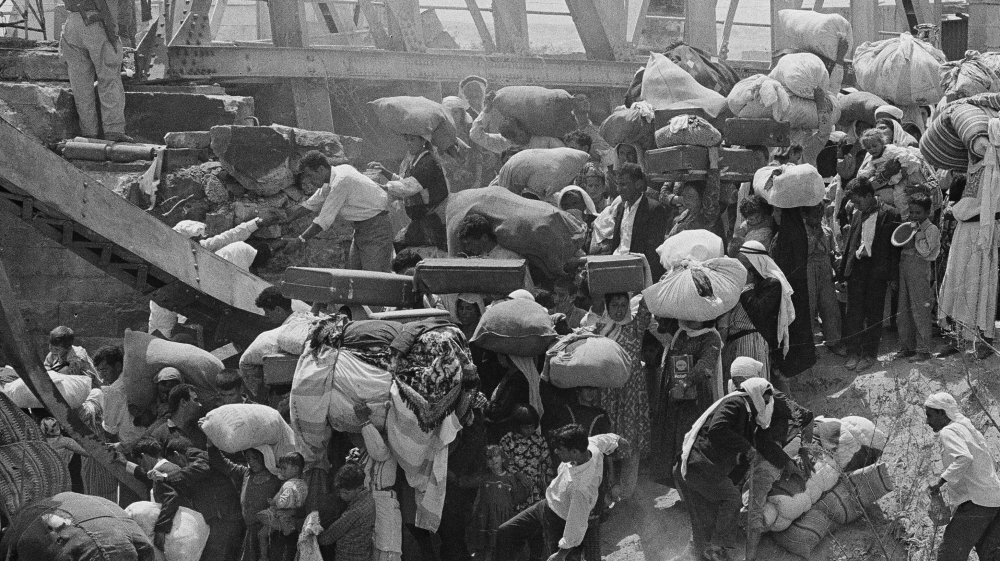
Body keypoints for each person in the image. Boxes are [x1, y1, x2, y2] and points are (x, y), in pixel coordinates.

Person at [674, 378, 800, 561]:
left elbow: (763, 443)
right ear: (754, 394)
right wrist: (746, 447)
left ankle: (702, 553)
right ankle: (716, 549)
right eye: (764, 400)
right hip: (698, 465)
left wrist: (786, 462)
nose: (765, 404)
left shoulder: (749, 414)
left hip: (702, 468)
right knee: (731, 498)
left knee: (706, 517)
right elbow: (717, 429)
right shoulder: (736, 404)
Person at [494, 425, 630, 561]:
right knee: (506, 533)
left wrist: (560, 555)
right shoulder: (591, 446)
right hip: (545, 506)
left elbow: (575, 525)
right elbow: (609, 439)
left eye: (560, 449)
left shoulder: (581, 488)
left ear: (575, 452)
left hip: (560, 521)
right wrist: (622, 441)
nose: (555, 451)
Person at [150, 215, 277, 338]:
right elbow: (160, 317)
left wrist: (256, 223)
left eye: (198, 239)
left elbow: (227, 237)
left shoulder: (198, 248)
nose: (198, 242)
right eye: (194, 240)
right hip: (188, 320)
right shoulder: (168, 270)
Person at [284, 151, 393, 273]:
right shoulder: (337, 173)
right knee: (355, 274)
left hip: (376, 229)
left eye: (310, 176)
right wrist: (286, 219)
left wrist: (300, 240)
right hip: (361, 229)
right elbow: (311, 204)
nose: (309, 181)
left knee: (374, 276)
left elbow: (323, 221)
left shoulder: (341, 181)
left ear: (321, 169)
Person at [924, 392, 1000, 561]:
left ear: (942, 413)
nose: (927, 421)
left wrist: (940, 482)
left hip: (977, 502)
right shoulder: (968, 429)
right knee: (991, 554)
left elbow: (964, 458)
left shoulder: (949, 431)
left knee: (950, 553)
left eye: (929, 415)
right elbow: (992, 463)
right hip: (995, 500)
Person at [839, 176, 901, 372]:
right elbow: (851, 243)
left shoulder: (891, 214)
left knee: (874, 314)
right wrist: (844, 271)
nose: (856, 206)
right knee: (854, 313)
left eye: (858, 201)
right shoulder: (857, 214)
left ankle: (869, 354)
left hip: (877, 272)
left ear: (868, 195)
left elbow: (894, 250)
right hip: (858, 269)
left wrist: (892, 276)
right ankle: (853, 352)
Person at [584, 293, 652, 459]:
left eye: (623, 305)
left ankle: (630, 477)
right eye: (614, 305)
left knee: (631, 439)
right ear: (607, 306)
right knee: (606, 436)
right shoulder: (599, 329)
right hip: (607, 389)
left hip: (631, 389)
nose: (619, 310)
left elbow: (647, 301)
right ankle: (608, 473)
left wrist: (644, 276)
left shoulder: (636, 327)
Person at [656, 318, 722, 486]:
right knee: (674, 439)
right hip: (675, 397)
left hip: (696, 398)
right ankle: (678, 483)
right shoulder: (680, 334)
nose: (691, 319)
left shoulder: (711, 337)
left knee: (690, 438)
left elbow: (705, 365)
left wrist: (685, 384)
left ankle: (691, 486)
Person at [60, 0, 132, 142]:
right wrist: (118, 31)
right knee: (109, 78)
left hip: (72, 22)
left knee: (81, 86)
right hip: (97, 21)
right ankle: (113, 130)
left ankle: (89, 132)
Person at [373, 134, 449, 251]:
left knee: (408, 246)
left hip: (433, 219)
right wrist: (385, 172)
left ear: (423, 140)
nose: (409, 143)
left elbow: (410, 186)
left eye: (412, 139)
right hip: (423, 219)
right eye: (407, 140)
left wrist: (386, 187)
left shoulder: (428, 162)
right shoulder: (416, 160)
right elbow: (406, 182)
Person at [207, 446, 282, 561]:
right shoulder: (246, 473)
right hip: (249, 532)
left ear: (265, 457)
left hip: (267, 533)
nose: (251, 462)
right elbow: (222, 463)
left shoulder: (276, 479)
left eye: (255, 458)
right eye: (248, 459)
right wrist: (211, 444)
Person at [596, 164, 669, 280]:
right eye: (618, 184)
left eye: (623, 185)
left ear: (638, 184)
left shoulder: (654, 210)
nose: (619, 189)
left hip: (638, 270)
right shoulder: (620, 208)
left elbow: (652, 251)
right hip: (616, 265)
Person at [353, 402, 402, 561]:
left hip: (384, 502)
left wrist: (364, 420)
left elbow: (379, 451)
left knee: (386, 550)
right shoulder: (363, 450)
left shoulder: (390, 446)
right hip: (367, 501)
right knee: (369, 550)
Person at [897, 193, 941, 362]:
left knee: (920, 309)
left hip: (919, 270)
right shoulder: (909, 226)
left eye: (918, 212)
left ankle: (923, 350)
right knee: (904, 308)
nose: (914, 216)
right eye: (911, 212)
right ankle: (907, 347)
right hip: (905, 268)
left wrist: (916, 234)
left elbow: (926, 251)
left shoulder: (931, 229)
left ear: (927, 212)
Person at [467, 445, 532, 558]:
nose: (493, 459)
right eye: (489, 458)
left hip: (503, 518)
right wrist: (453, 478)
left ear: (503, 458)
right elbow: (466, 482)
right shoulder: (484, 477)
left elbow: (516, 498)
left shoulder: (510, 478)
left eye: (496, 456)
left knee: (502, 546)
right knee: (486, 547)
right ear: (486, 462)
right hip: (485, 518)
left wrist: (526, 485)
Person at [804, 204, 844, 355]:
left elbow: (834, 252)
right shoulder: (801, 232)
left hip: (826, 272)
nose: (818, 218)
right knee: (808, 308)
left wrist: (839, 269)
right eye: (815, 215)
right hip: (808, 271)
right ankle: (809, 347)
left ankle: (834, 341)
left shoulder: (827, 231)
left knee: (830, 307)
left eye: (820, 215)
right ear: (806, 216)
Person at [456, 212, 534, 291]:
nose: (468, 248)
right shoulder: (477, 261)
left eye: (469, 243)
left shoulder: (511, 259)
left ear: (484, 237)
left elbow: (528, 291)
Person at [470, 92, 565, 155]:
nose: (517, 141)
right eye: (513, 140)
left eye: (519, 134)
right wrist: (487, 110)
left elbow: (565, 155)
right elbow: (475, 135)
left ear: (524, 128)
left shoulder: (546, 141)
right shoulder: (503, 143)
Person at [499, 405, 554, 512]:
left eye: (532, 427)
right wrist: (518, 475)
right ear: (517, 426)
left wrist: (548, 484)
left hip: (536, 490)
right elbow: (504, 462)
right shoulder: (507, 440)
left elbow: (547, 463)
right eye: (526, 427)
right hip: (516, 489)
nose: (530, 430)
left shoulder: (539, 440)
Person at [319, 462, 377, 561]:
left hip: (349, 556)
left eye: (346, 493)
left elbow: (328, 537)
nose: (342, 496)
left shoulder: (357, 510)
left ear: (358, 488)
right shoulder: (368, 498)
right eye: (340, 492)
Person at [257, 452, 309, 561]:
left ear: (295, 469)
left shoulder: (290, 484)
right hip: (292, 515)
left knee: (261, 518)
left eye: (284, 468)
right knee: (262, 534)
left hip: (283, 515)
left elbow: (283, 502)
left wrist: (274, 503)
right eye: (281, 468)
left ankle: (264, 557)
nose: (281, 471)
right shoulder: (303, 483)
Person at [150, 383, 208, 450]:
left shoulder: (200, 430)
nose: (200, 405)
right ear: (183, 402)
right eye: (195, 400)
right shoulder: (160, 434)